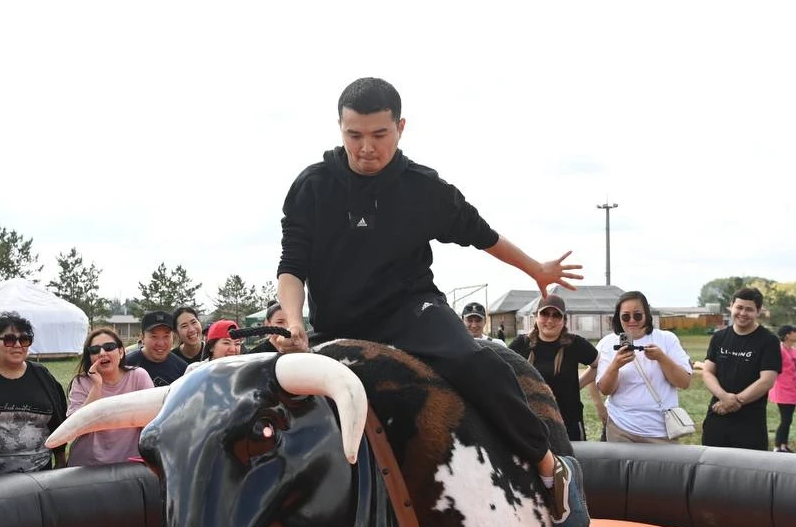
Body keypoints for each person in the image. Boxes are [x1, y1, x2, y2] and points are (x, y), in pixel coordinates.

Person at [274, 77, 583, 488]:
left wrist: (536, 270)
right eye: (355, 135)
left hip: (410, 311)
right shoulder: (312, 186)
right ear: (340, 128)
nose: (366, 148)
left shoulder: (424, 189)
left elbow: (484, 235)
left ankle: (549, 467)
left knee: (474, 361)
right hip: (337, 322)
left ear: (400, 128)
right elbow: (291, 264)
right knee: (258, 374)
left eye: (379, 134)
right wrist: (293, 321)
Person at [595, 291, 693, 443]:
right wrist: (615, 366)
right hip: (621, 427)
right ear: (618, 317)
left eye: (638, 315)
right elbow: (605, 390)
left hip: (660, 430)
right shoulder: (608, 343)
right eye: (626, 316)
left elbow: (684, 382)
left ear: (647, 314)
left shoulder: (666, 339)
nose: (632, 321)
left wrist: (662, 358)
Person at [0, 312, 68, 473]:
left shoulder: (42, 375)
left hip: (40, 472)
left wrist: (61, 459)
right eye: (9, 339)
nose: (18, 345)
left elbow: (58, 418)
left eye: (24, 339)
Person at [508, 294, 601, 442]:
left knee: (570, 463)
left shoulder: (575, 344)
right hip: (531, 422)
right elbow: (504, 373)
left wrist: (578, 384)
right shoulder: (521, 344)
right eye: (544, 314)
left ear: (564, 320)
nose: (550, 320)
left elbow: (598, 365)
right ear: (535, 317)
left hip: (568, 423)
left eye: (556, 315)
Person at [701, 287, 781, 451]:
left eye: (749, 309)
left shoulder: (768, 341)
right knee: (711, 467)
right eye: (739, 307)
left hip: (750, 422)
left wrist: (734, 401)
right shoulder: (719, 337)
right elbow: (707, 372)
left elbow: (767, 380)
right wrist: (723, 397)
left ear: (758, 311)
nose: (743, 313)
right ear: (731, 306)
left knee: (749, 473)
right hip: (717, 416)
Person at [66, 328, 154, 467]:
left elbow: (152, 422)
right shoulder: (81, 382)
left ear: (121, 351)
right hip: (86, 466)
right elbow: (74, 428)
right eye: (95, 350)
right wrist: (96, 386)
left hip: (129, 464)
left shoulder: (139, 376)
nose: (102, 353)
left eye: (109, 347)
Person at [124, 311, 188, 387]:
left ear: (173, 337)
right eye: (154, 336)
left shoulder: (183, 369)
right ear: (142, 337)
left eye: (166, 336)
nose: (160, 343)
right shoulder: (125, 365)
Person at [767, 325, 796, 453]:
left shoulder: (794, 350)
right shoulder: (779, 350)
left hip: (793, 388)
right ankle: (777, 446)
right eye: (794, 332)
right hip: (782, 389)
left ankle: (784, 444)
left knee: (789, 419)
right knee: (785, 419)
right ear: (787, 335)